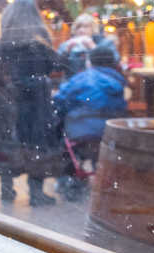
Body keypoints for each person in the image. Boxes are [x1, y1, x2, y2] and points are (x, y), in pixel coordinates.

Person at [0, 0, 64, 207]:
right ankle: (36, 194)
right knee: (36, 144)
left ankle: (7, 190)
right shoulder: (38, 43)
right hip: (34, 103)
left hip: (5, 102)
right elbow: (56, 65)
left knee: (6, 143)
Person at [53, 46, 127, 201]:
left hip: (78, 131)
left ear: (89, 62)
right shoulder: (118, 82)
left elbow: (60, 100)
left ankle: (68, 180)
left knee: (60, 139)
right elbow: (121, 109)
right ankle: (104, 178)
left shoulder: (79, 79)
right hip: (106, 133)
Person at [57, 13, 120, 79]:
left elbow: (115, 61)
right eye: (78, 27)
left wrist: (94, 48)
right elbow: (57, 68)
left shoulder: (105, 43)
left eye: (86, 26)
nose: (81, 30)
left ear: (93, 29)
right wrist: (67, 52)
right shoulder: (66, 45)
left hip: (98, 84)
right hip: (73, 86)